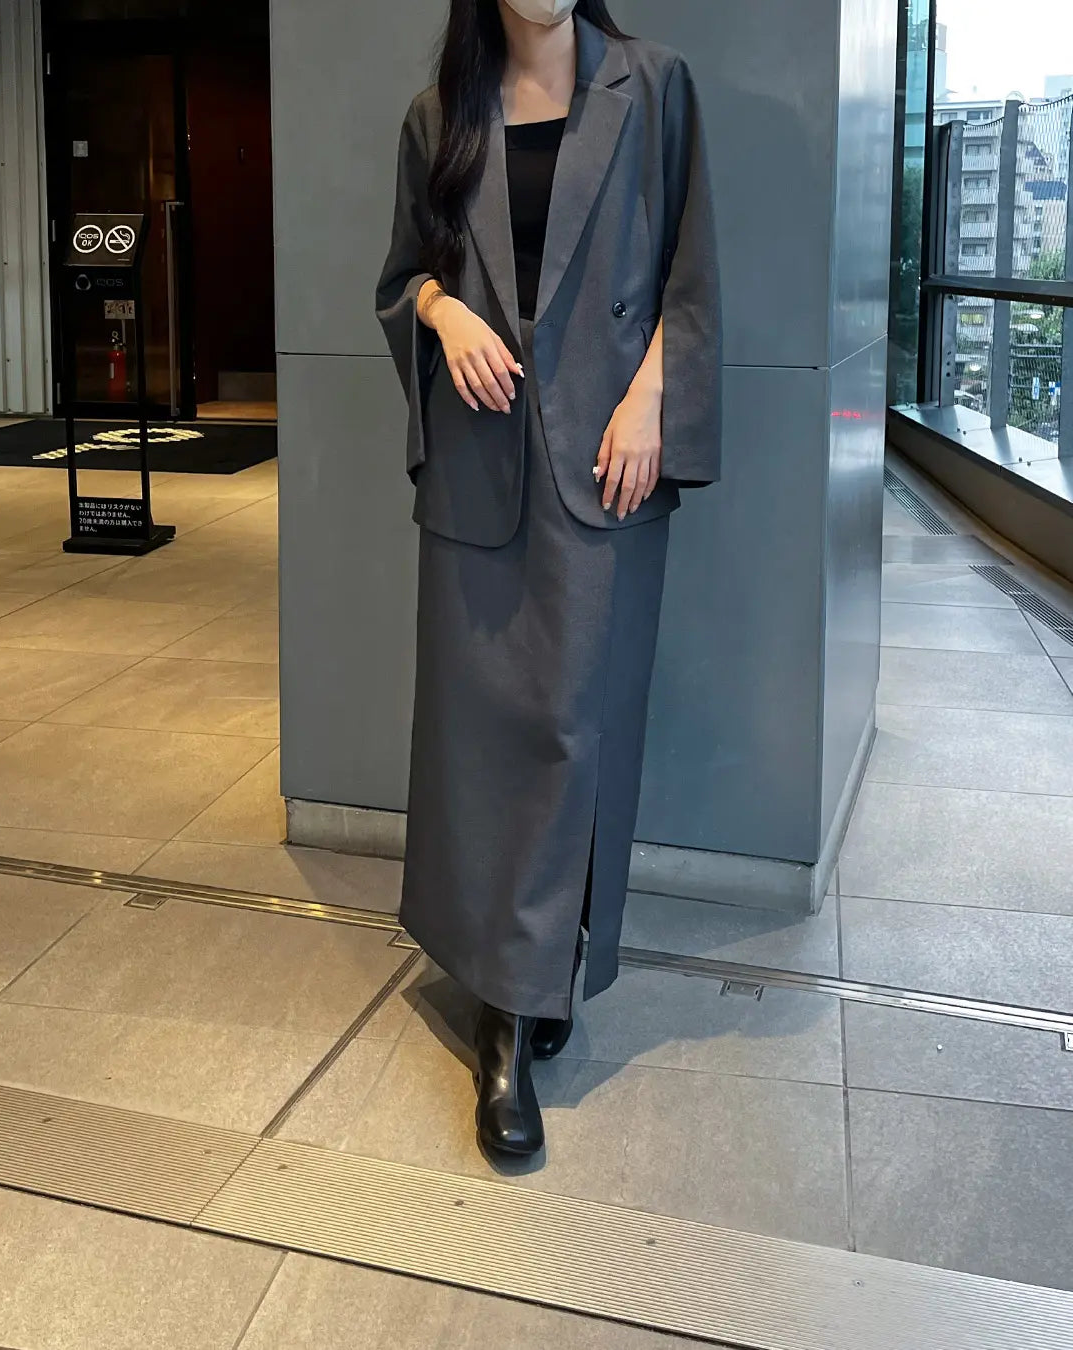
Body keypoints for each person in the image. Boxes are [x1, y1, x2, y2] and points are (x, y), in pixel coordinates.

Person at [376, 0, 721, 1159]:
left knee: (574, 729)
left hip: (604, 457)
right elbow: (400, 280)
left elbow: (690, 276)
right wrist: (444, 314)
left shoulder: (653, 87)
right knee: (476, 736)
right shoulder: (441, 116)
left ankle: (525, 985)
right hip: (479, 462)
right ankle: (507, 1005)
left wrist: (650, 400)